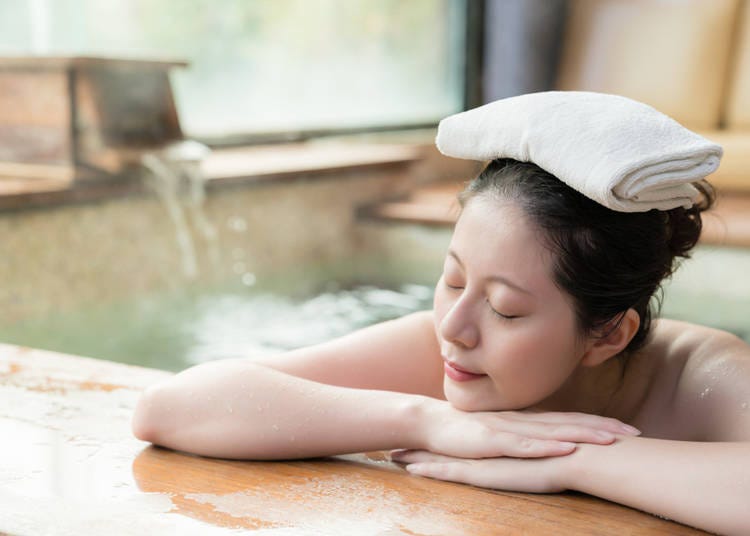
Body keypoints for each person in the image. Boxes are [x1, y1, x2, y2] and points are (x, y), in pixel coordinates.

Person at [132, 93, 750, 536]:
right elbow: (172, 407)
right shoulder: (443, 347)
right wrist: (422, 421)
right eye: (452, 278)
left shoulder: (704, 376)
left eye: (505, 309)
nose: (454, 325)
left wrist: (572, 460)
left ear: (610, 334)